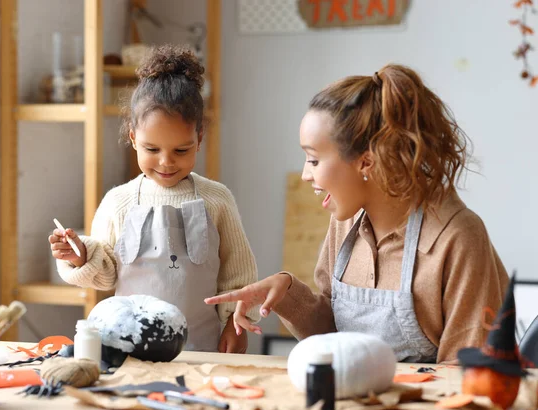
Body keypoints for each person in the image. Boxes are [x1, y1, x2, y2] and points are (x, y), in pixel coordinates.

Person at [205, 64, 509, 363]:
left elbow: (472, 374)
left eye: (313, 160)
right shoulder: (347, 222)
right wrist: (285, 293)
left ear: (366, 162)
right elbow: (334, 336)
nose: (304, 175)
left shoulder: (457, 238)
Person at [49, 45, 259, 354]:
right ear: (133, 137)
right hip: (129, 349)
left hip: (201, 347)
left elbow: (238, 275)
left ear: (199, 138)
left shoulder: (218, 199)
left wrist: (235, 322)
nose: (166, 162)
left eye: (181, 150)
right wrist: (79, 255)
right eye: (152, 149)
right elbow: (106, 273)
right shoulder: (117, 201)